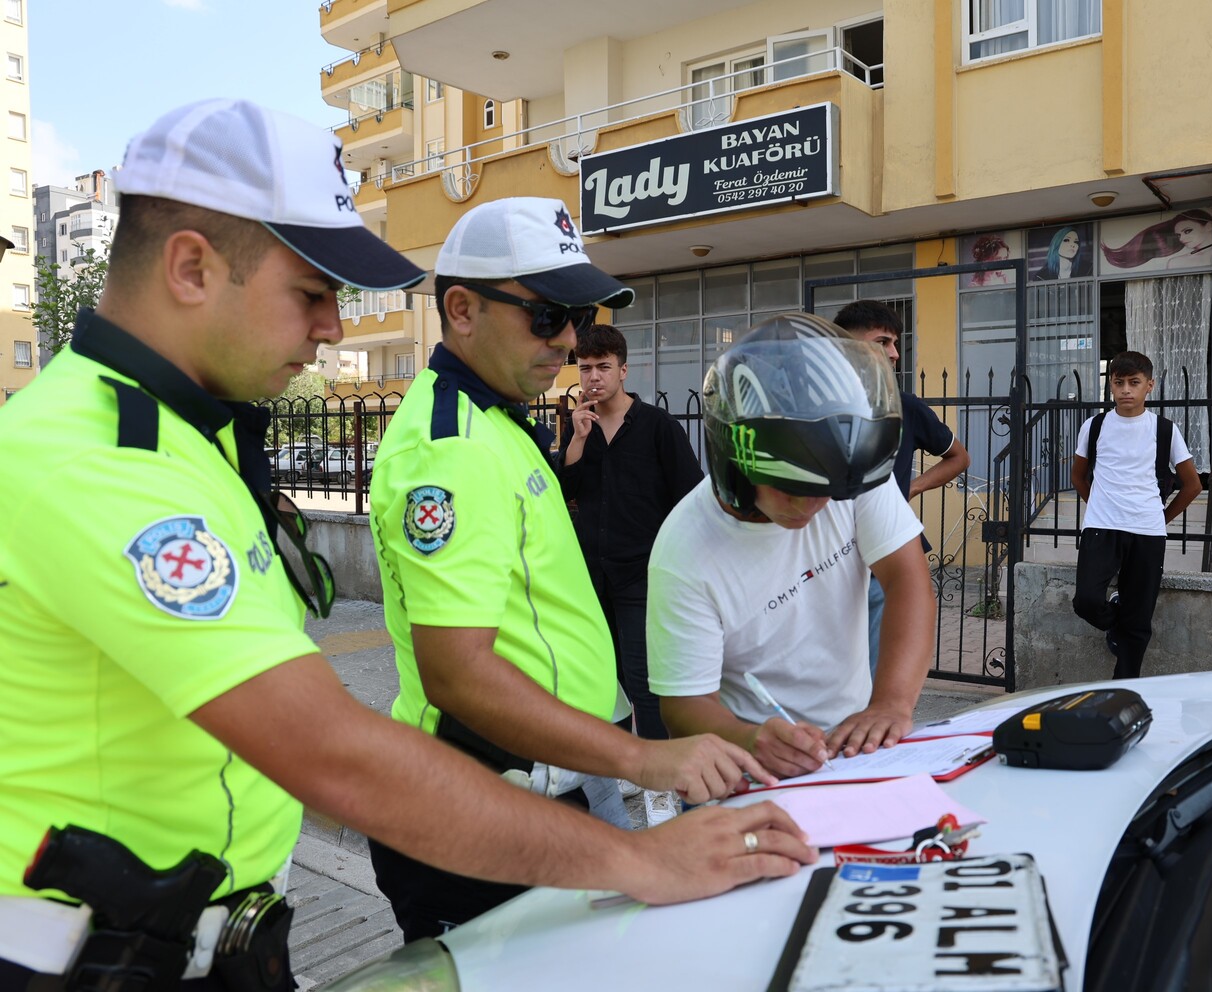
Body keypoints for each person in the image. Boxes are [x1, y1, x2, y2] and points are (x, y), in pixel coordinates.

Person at [0, 100, 812, 990]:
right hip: (86, 962)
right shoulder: (97, 459)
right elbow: (333, 750)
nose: (335, 330)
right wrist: (645, 856)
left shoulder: (187, 434)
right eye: (312, 293)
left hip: (189, 943)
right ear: (192, 266)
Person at [365, 197, 790, 941]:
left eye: (577, 318)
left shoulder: (496, 419)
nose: (566, 341)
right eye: (546, 316)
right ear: (460, 310)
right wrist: (645, 759)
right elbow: (457, 674)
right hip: (481, 803)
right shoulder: (453, 447)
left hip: (536, 784)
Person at [648, 313, 937, 778]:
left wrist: (890, 704)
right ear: (737, 463)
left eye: (829, 491)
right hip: (754, 769)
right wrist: (750, 737)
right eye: (793, 488)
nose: (817, 504)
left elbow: (908, 581)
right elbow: (682, 706)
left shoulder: (847, 470)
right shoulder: (684, 553)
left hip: (854, 751)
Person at [558, 323, 704, 823]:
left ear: (624, 369)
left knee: (645, 684)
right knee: (606, 680)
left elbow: (692, 498)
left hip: (644, 575)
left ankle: (661, 788)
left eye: (602, 368)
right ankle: (624, 767)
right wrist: (576, 440)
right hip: (591, 577)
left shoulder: (659, 426)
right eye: (585, 368)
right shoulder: (579, 425)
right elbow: (566, 488)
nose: (593, 378)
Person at [833, 300, 970, 676]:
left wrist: (909, 488)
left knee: (878, 674)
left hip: (884, 554)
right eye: (882, 342)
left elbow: (958, 457)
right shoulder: (815, 410)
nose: (895, 354)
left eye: (896, 343)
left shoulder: (906, 407)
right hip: (824, 559)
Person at [1070, 350, 1202, 679]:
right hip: (1101, 528)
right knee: (1086, 600)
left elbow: (1192, 485)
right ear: (1110, 387)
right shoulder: (1095, 425)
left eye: (1134, 382)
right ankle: (1115, 617)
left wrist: (1161, 518)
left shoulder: (1165, 430)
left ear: (1149, 386)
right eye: (1119, 383)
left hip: (1147, 531)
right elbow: (1077, 475)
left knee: (1140, 618)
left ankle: (1124, 686)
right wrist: (1099, 503)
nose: (1126, 390)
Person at [1100, 209, 1212, 270]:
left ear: (1209, 226)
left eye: (1187, 231)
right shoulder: (1176, 263)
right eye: (1178, 235)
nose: (1182, 238)